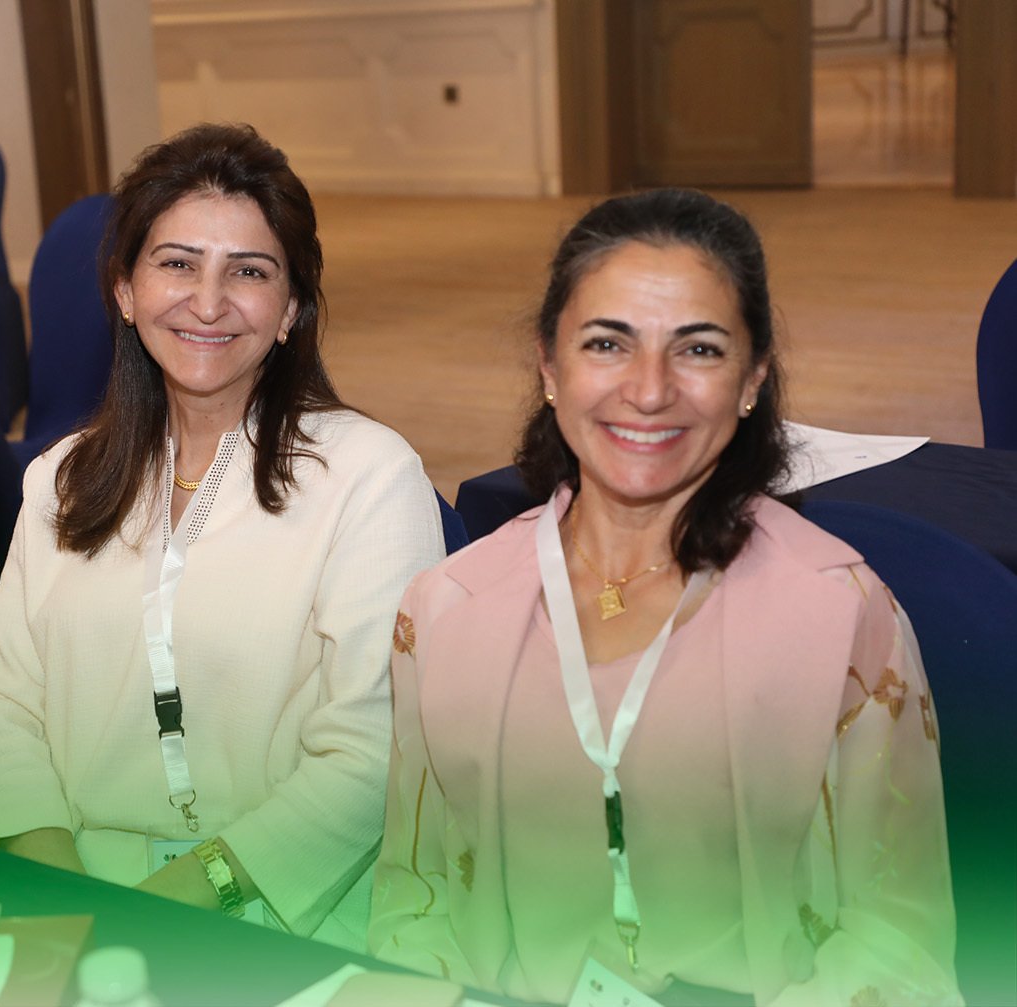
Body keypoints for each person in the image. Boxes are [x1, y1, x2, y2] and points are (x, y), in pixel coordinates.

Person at [368, 189, 961, 1006]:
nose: (649, 391)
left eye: (699, 349)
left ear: (752, 380)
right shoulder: (446, 608)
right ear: (550, 366)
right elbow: (416, 906)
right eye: (607, 343)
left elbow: (897, 944)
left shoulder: (841, 616)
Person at [0, 123, 444, 948]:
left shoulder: (369, 476)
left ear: (290, 309)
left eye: (248, 271)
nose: (208, 302)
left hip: (284, 907)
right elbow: (0, 708)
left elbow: (373, 755)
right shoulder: (61, 478)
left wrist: (154, 911)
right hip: (73, 888)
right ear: (125, 290)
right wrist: (65, 902)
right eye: (177, 264)